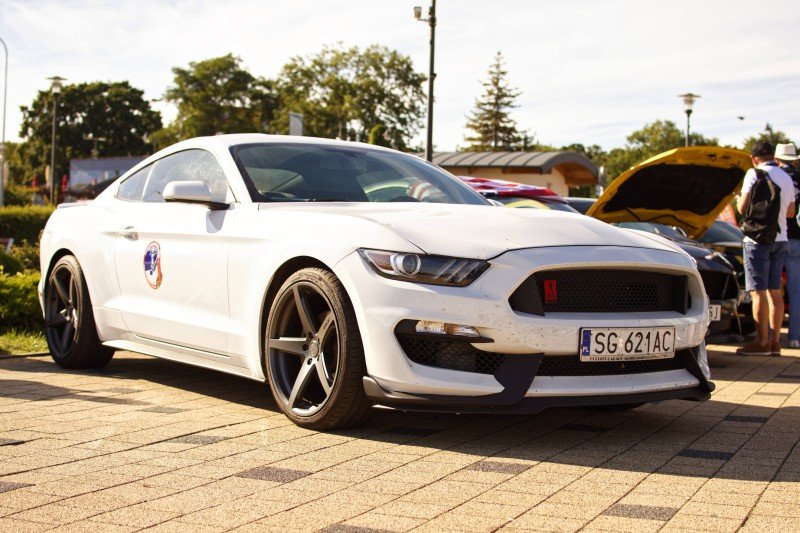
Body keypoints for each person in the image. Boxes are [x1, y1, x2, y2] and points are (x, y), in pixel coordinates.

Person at [737, 141, 796, 356]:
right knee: (775, 292)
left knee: (758, 292)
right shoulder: (786, 177)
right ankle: (775, 342)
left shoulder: (753, 174)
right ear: (773, 156)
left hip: (756, 240)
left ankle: (761, 342)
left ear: (754, 159)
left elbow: (743, 208)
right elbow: (790, 213)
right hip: (781, 238)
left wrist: (739, 202)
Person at [775, 143, 800, 348]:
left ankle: (768, 337)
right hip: (798, 239)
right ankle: (794, 337)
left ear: (777, 159)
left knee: (771, 288)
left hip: (776, 236)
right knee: (796, 290)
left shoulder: (774, 176)